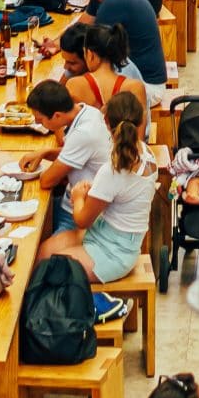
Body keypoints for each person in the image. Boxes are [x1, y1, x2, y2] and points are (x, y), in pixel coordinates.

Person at [46, 90, 156, 284]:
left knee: (46, 270)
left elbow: (81, 220)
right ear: (141, 122)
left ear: (106, 123)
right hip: (108, 235)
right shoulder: (146, 154)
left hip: (112, 253)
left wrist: (78, 196)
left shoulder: (112, 170)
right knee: (42, 253)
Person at [18, 78, 110, 233]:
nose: (38, 123)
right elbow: (77, 153)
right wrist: (45, 152)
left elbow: (47, 180)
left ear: (57, 116)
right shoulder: (87, 112)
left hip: (83, 212)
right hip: (78, 200)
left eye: (40, 120)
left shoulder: (84, 133)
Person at [80, 0, 169, 86]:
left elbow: (92, 53)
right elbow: (82, 26)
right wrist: (54, 44)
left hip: (146, 86)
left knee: (76, 85)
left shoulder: (114, 2)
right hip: (131, 76)